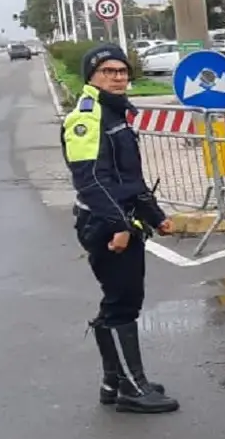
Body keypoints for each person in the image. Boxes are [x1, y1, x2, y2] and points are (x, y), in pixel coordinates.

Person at [63, 44, 180, 414]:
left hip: (122, 217)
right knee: (122, 304)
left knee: (122, 299)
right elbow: (92, 181)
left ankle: (114, 381)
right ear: (91, 77)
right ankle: (132, 387)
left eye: (122, 71)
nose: (117, 78)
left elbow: (129, 178)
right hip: (106, 222)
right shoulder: (87, 118)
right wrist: (119, 226)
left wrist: (155, 214)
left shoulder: (114, 115)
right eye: (108, 72)